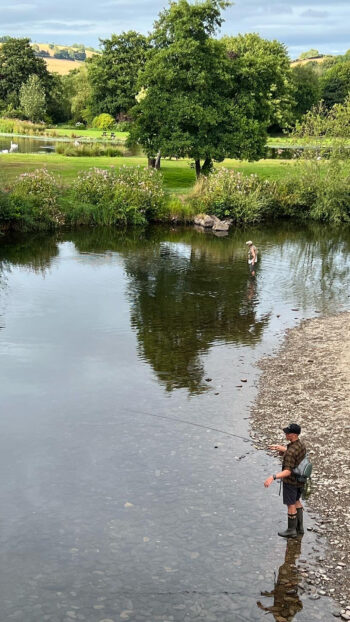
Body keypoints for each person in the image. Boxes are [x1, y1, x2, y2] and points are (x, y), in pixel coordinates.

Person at [264, 423, 306, 538]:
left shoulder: (291, 452)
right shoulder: (300, 445)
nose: (285, 434)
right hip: (300, 480)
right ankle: (300, 528)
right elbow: (292, 452)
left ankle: (291, 530)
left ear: (293, 435)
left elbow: (287, 471)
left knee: (290, 504)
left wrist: (272, 477)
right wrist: (281, 449)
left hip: (291, 482)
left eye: (287, 432)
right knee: (297, 501)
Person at [257, 538, 303, 621]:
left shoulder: (283, 617)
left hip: (286, 588)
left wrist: (266, 608)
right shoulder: (286, 616)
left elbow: (277, 608)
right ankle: (295, 541)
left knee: (287, 565)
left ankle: (294, 540)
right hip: (286, 588)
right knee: (288, 564)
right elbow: (279, 607)